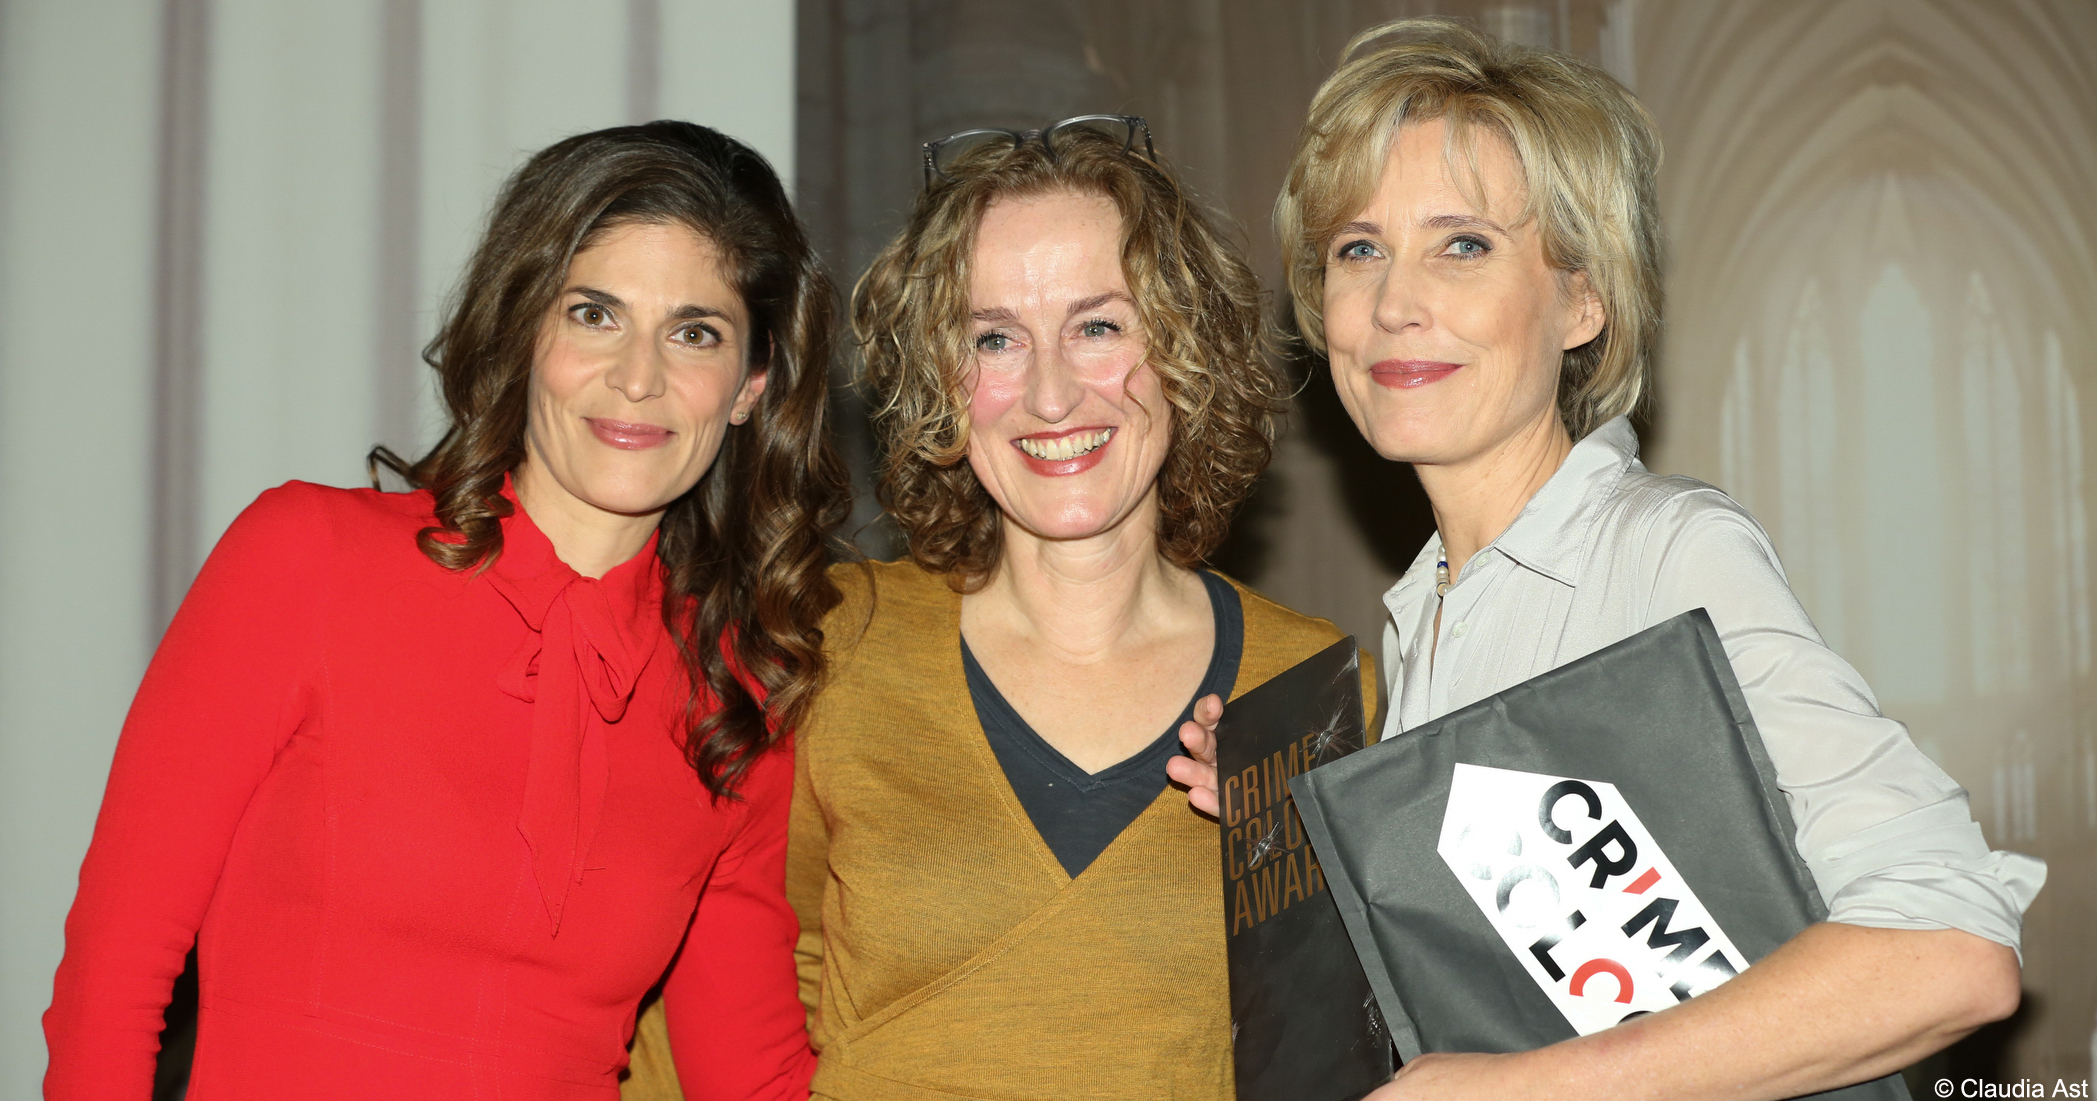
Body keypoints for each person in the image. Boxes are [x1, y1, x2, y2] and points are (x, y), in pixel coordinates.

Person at [1171, 19, 2045, 1100]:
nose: (1394, 304)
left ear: (1581, 300)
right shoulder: (1428, 618)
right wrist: (1309, 835)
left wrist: (1515, 1091)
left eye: (1462, 244)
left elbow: (1951, 950)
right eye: (1359, 249)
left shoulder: (1665, 554)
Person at [43, 121, 847, 1100]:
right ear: (523, 331)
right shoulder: (308, 559)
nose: (638, 377)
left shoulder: (736, 691)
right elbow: (113, 976)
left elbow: (750, 1074)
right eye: (594, 314)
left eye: (694, 332)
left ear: (751, 385)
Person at [622, 117, 1374, 1101]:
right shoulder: (824, 641)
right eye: (994, 339)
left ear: (1187, 349)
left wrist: (1314, 880)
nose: (1051, 395)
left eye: (1098, 327)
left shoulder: (1316, 694)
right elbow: (705, 1002)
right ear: (939, 378)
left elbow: (1365, 1046)